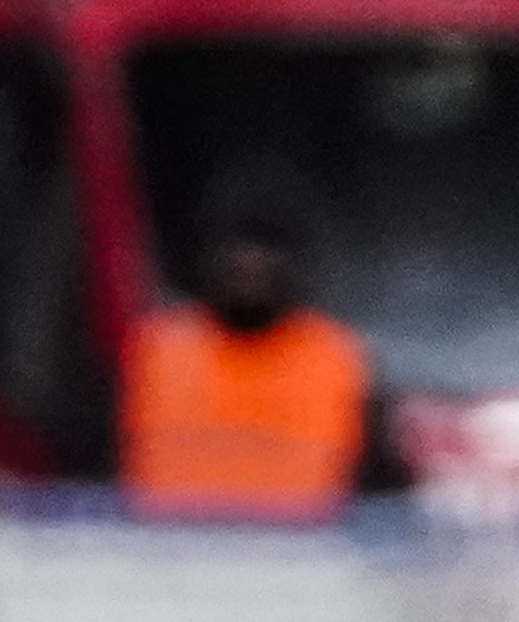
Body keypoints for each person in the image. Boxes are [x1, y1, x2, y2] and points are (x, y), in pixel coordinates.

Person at [120, 173, 384, 514]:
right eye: (236, 248)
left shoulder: (337, 356)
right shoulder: (155, 349)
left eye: (267, 249)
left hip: (302, 544)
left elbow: (376, 492)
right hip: (167, 541)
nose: (250, 264)